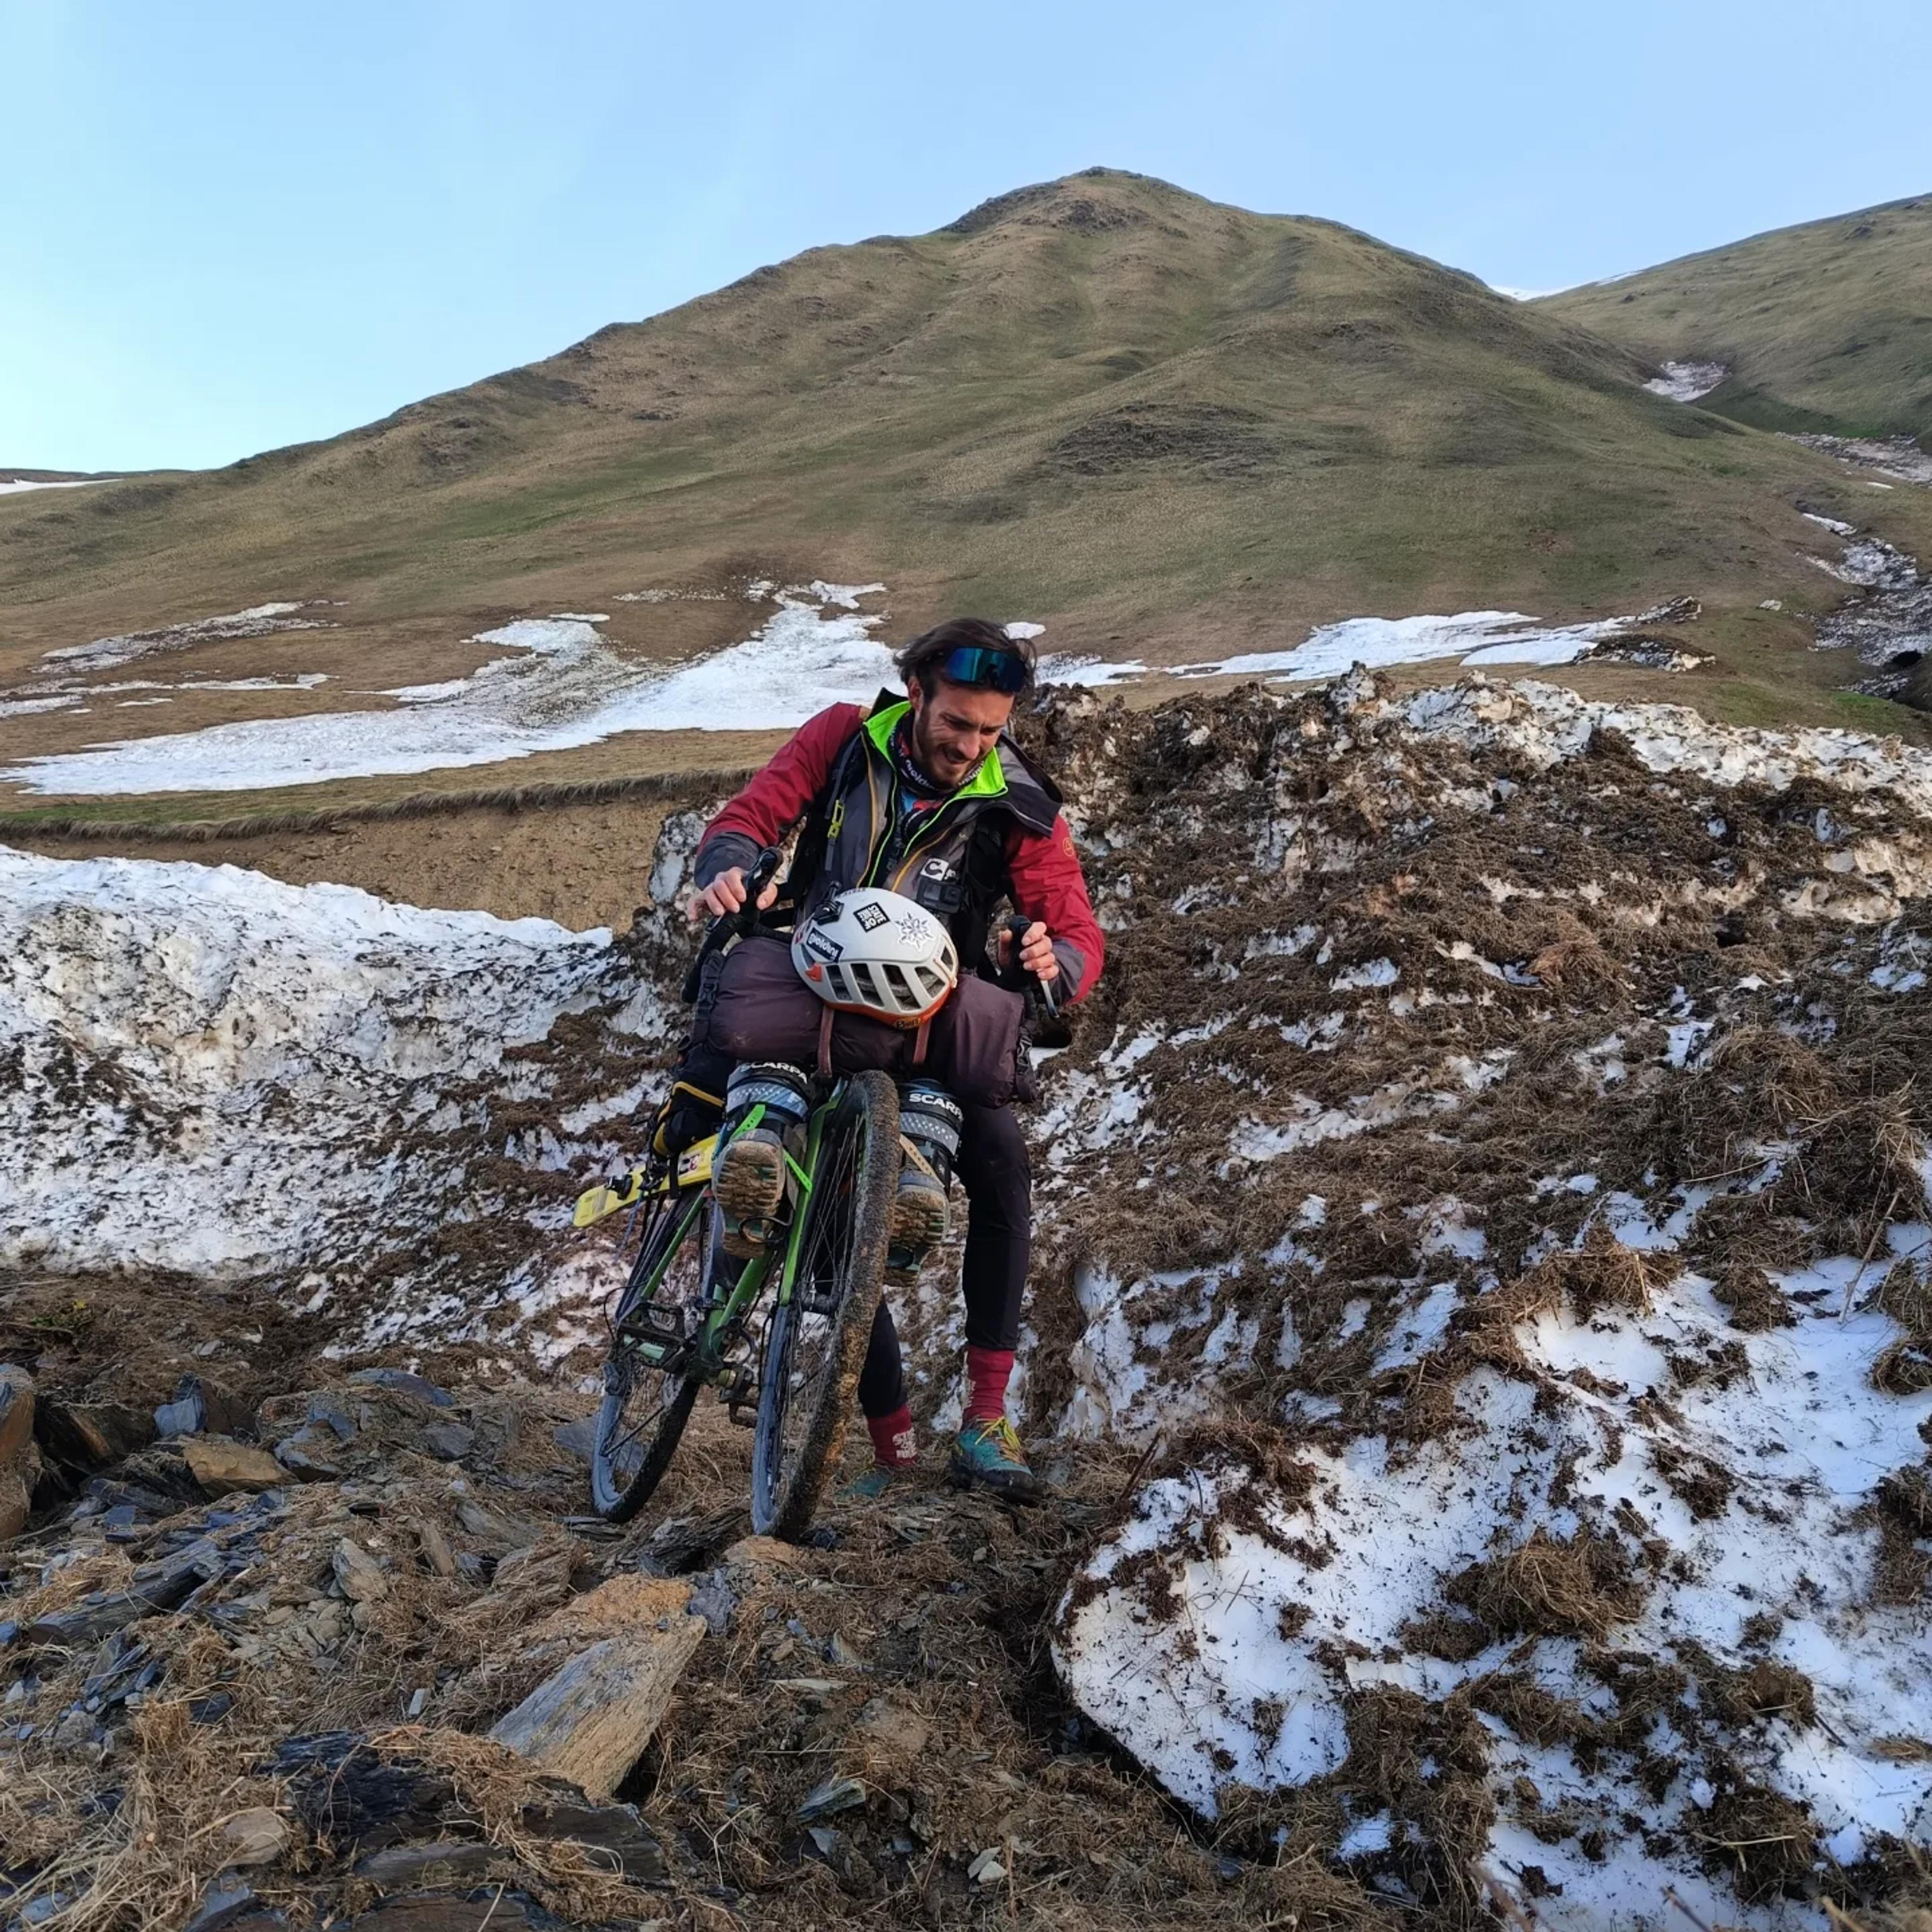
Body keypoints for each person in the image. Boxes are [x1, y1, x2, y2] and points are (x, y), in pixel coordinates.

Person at [689, 618, 1104, 1498]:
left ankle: (987, 1420)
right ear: (916, 694)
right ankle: (890, 1446)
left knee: (1003, 1168)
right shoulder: (844, 738)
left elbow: (1072, 928)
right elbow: (752, 814)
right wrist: (732, 865)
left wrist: (1051, 960)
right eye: (957, 722)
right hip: (815, 990)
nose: (972, 746)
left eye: (992, 730)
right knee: (831, 1206)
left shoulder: (1022, 802)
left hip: (929, 1017)